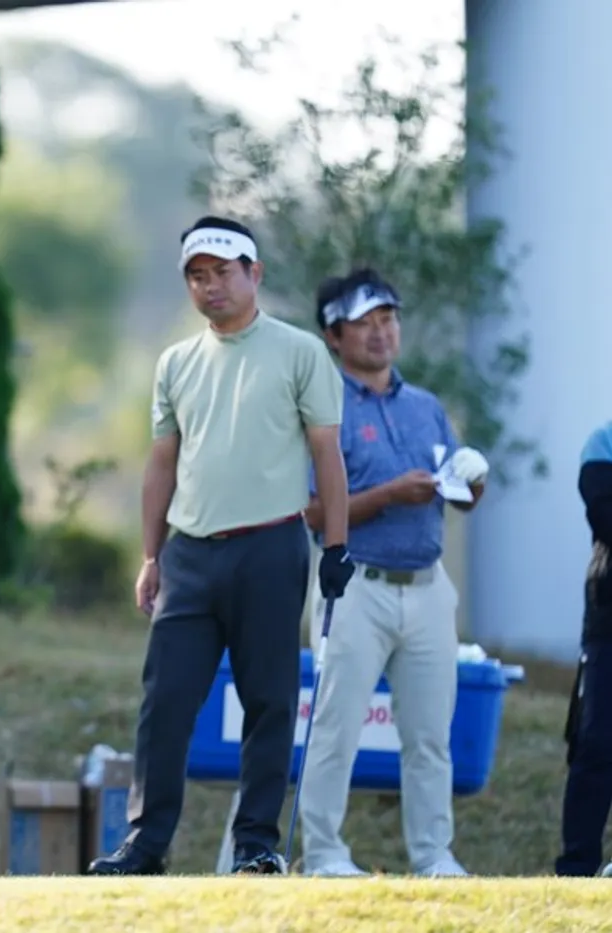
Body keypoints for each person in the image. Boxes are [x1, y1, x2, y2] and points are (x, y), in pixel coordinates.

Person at [88, 216, 354, 877]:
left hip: (271, 547)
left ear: (254, 273)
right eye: (197, 276)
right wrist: (151, 555)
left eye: (223, 272)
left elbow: (328, 454)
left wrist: (337, 546)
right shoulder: (176, 362)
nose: (210, 286)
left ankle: (256, 845)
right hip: (190, 555)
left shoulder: (300, 352)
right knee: (165, 702)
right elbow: (161, 463)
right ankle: (146, 844)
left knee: (268, 702)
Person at [295, 268, 488, 878]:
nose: (381, 332)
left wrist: (470, 489)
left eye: (389, 319)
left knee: (430, 735)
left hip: (428, 587)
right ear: (333, 336)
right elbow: (312, 511)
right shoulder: (323, 407)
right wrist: (387, 495)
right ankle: (323, 853)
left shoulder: (425, 407)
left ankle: (434, 855)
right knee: (336, 728)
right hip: (354, 585)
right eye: (364, 323)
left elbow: (453, 492)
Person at [555, 418, 612, 876]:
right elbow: (606, 517)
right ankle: (578, 869)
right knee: (597, 743)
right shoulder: (604, 442)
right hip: (609, 616)